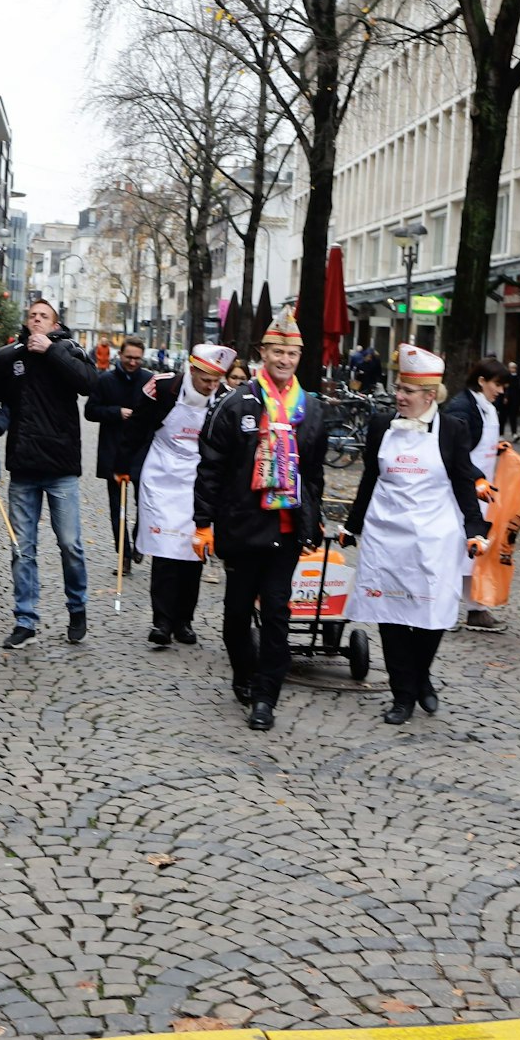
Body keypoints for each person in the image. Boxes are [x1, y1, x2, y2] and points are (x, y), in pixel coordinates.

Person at [341, 344, 488, 724]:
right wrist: (351, 526)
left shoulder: (452, 429)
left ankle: (420, 675)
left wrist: (475, 528)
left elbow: (463, 480)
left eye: (408, 391)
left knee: (433, 612)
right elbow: (370, 479)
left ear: (429, 395)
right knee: (391, 614)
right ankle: (402, 694)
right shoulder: (380, 426)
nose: (399, 396)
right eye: (398, 388)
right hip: (386, 535)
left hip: (434, 537)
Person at [194, 308, 325, 731]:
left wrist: (313, 519)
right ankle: (244, 674)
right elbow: (211, 467)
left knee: (276, 615)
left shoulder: (311, 408)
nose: (284, 360)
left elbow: (316, 473)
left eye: (291, 353)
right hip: (243, 526)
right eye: (277, 351)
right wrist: (203, 522)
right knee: (235, 617)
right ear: (262, 353)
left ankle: (266, 696)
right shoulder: (238, 404)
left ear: (298, 357)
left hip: (285, 533)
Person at [0, 298, 98, 648]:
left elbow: (89, 384)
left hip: (61, 467)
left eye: (43, 317)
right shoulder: (8, 357)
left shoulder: (69, 350)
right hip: (24, 466)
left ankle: (77, 607)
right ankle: (25, 619)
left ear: (54, 324)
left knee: (70, 545)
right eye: (32, 316)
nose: (36, 321)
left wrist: (52, 351)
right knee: (22, 548)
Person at [118, 343, 235, 646]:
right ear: (192, 370)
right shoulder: (163, 387)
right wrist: (122, 465)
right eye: (205, 380)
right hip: (163, 472)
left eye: (215, 381)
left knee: (193, 550)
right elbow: (137, 426)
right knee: (165, 548)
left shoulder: (223, 398)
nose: (210, 387)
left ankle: (184, 620)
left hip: (200, 475)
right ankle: (161, 621)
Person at [445, 359, 512, 631]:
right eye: (497, 384)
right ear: (482, 381)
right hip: (462, 490)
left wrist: (495, 450)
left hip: (480, 490)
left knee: (475, 550)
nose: (500, 391)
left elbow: (475, 444)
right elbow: (455, 451)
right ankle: (445, 610)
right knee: (454, 551)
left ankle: (476, 609)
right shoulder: (463, 408)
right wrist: (476, 477)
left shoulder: (484, 407)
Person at [88, 336, 153, 576]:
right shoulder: (105, 380)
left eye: (137, 358)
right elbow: (90, 411)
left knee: (145, 505)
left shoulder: (149, 381)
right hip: (113, 452)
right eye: (129, 357)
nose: (133, 362)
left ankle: (139, 541)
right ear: (120, 355)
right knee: (118, 509)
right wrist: (116, 412)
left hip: (142, 453)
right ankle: (123, 555)